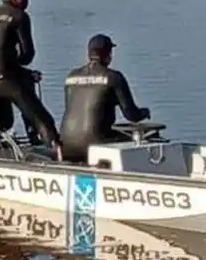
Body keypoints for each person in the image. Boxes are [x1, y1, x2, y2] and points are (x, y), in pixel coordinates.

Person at [0, 0, 62, 157]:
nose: (27, 1)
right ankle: (55, 150)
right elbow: (27, 56)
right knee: (42, 117)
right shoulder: (19, 16)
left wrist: (24, 72)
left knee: (25, 81)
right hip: (4, 79)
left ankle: (24, 141)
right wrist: (22, 64)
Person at [58, 34, 150, 163]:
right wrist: (145, 112)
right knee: (146, 137)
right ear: (108, 55)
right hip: (96, 144)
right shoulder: (114, 78)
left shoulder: (71, 77)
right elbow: (131, 115)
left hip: (66, 144)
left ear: (88, 54)